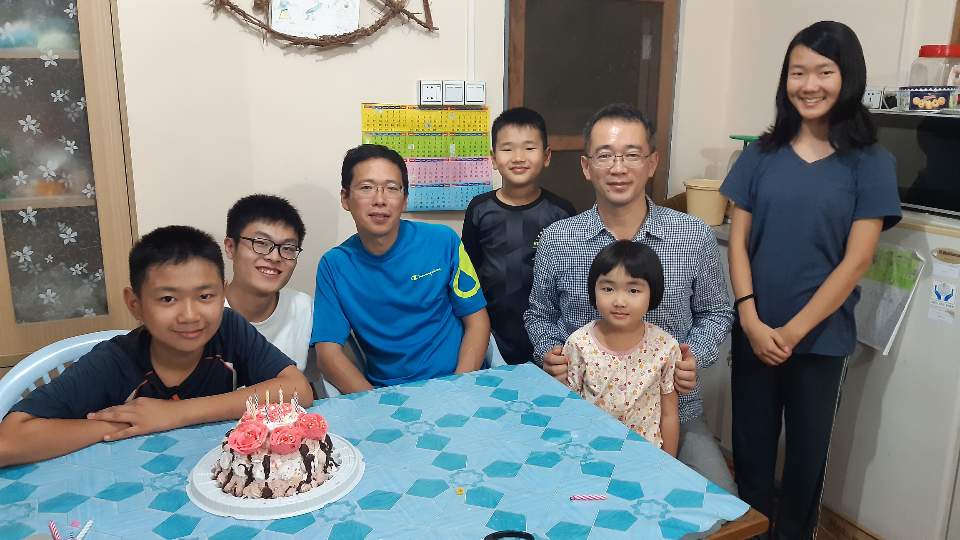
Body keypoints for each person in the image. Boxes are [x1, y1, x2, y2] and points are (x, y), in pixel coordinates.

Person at [722, 21, 901, 538]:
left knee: (806, 464)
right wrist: (750, 319)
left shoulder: (872, 163)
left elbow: (857, 260)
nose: (809, 84)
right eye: (798, 72)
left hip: (821, 340)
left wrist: (793, 331)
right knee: (751, 456)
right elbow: (738, 242)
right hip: (754, 333)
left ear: (848, 77)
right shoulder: (760, 155)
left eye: (824, 72)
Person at [524, 103, 736, 493]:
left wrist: (691, 357)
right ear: (587, 166)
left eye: (632, 155)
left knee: (720, 508)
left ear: (652, 163)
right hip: (585, 413)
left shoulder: (693, 236)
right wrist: (550, 352)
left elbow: (717, 311)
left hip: (675, 413)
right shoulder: (558, 239)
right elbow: (539, 314)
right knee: (562, 502)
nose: (618, 168)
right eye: (605, 155)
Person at [0, 225, 312, 467]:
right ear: (135, 304)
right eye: (168, 299)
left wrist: (175, 413)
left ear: (222, 293)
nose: (190, 315)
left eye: (205, 296)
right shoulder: (114, 361)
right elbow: (9, 441)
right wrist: (131, 423)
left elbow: (299, 389)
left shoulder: (228, 329)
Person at [312, 144, 490, 393]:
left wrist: (458, 388)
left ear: (405, 199)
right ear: (345, 198)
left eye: (392, 188)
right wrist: (375, 402)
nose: (380, 200)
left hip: (458, 380)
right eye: (366, 187)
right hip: (388, 392)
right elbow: (327, 354)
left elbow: (477, 321)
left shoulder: (443, 241)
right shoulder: (334, 266)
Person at [462, 107, 575, 364]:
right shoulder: (479, 209)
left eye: (529, 148)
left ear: (546, 156)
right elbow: (469, 272)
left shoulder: (561, 211)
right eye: (507, 149)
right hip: (491, 333)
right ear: (493, 158)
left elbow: (569, 279)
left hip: (550, 335)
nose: (518, 157)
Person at [566, 240, 680, 456]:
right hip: (590, 453)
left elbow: (669, 414)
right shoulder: (579, 343)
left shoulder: (665, 347)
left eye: (633, 290)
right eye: (608, 289)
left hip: (645, 455)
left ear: (653, 293)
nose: (619, 301)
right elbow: (569, 407)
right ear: (593, 290)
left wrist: (669, 465)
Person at [224, 194, 312, 371]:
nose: (274, 257)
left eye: (288, 248)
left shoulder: (304, 309)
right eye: (261, 243)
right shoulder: (200, 313)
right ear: (230, 247)